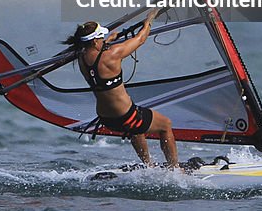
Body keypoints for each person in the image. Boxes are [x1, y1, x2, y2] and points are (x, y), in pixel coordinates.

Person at [65, 9, 178, 167]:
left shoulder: (81, 57)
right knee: (165, 124)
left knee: (136, 129)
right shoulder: (112, 54)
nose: (102, 39)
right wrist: (149, 20)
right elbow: (140, 39)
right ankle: (175, 170)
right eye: (100, 37)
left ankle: (149, 166)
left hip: (106, 118)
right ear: (94, 41)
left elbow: (97, 52)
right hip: (126, 115)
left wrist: (109, 40)